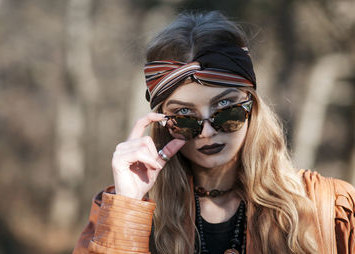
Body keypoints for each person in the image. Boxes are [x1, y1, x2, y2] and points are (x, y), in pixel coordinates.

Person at [73, 11, 355, 254]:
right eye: (184, 116)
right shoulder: (121, 211)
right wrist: (129, 209)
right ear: (161, 122)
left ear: (252, 106)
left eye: (225, 108)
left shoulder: (329, 210)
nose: (207, 131)